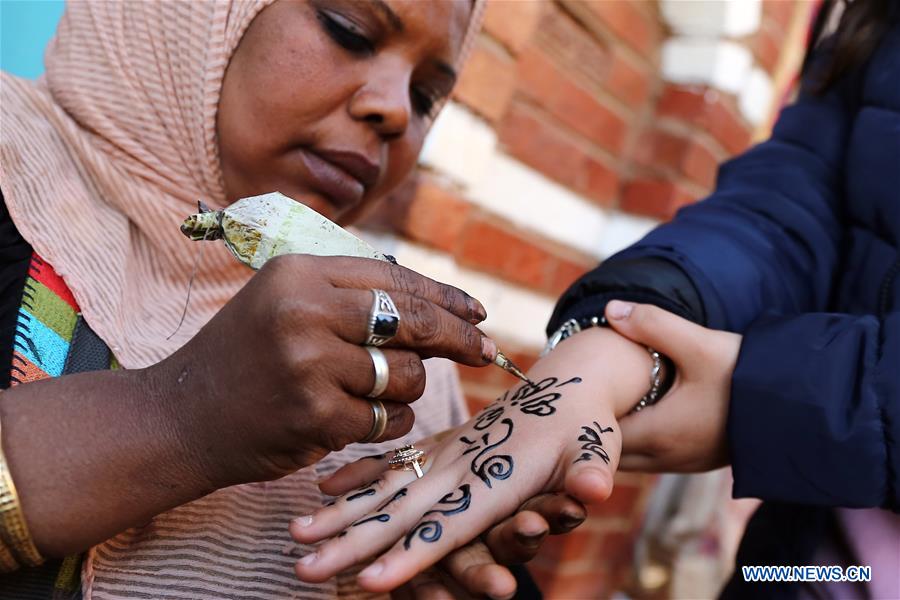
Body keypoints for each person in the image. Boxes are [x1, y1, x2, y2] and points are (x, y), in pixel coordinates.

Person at [293, 0, 899, 597]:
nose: (395, 111)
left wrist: (769, 397)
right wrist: (605, 346)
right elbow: (782, 212)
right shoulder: (876, 27)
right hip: (808, 570)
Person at [0, 1, 582, 598]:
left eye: (428, 95)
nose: (395, 110)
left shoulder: (399, 357)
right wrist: (185, 415)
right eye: (347, 29)